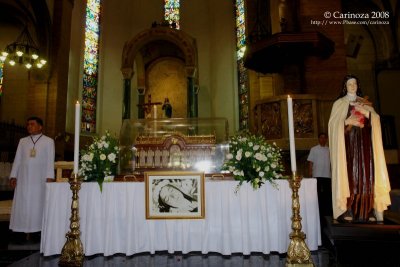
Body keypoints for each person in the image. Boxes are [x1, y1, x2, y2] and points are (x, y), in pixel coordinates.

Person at [328, 75, 391, 223]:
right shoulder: (339, 103)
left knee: (367, 174)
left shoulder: (364, 102)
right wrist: (345, 121)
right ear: (345, 86)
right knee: (350, 174)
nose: (352, 86)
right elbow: (332, 125)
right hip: (348, 147)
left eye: (354, 83)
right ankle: (347, 208)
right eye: (349, 83)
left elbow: (376, 120)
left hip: (365, 146)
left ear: (358, 85)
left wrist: (366, 113)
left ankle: (367, 210)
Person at [9, 116, 55, 241]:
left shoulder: (48, 141)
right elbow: (17, 159)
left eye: (32, 124)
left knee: (37, 205)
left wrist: (50, 177)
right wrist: (13, 175)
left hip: (39, 180)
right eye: (28, 124)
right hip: (23, 179)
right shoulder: (22, 141)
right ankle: (19, 232)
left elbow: (50, 161)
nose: (29, 126)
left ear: (40, 127)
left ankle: (36, 233)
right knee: (21, 205)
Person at [307, 132, 332, 223]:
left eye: (324, 138)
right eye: (321, 138)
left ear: (326, 139)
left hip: (327, 175)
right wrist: (310, 172)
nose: (323, 139)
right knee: (317, 194)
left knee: (327, 194)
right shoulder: (314, 149)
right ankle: (318, 210)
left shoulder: (329, 149)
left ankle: (327, 212)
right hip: (317, 174)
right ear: (318, 139)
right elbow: (310, 161)